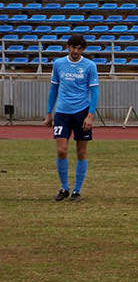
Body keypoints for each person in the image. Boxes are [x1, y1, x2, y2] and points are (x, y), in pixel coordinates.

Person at [46, 33, 99, 202]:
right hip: (62, 113)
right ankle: (64, 188)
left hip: (81, 113)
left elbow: (95, 92)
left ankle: (77, 190)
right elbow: (53, 89)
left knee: (81, 151)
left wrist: (90, 115)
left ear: (83, 49)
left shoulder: (89, 66)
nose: (75, 51)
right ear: (67, 47)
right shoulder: (59, 64)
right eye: (73, 47)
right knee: (61, 150)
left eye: (79, 48)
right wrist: (49, 112)